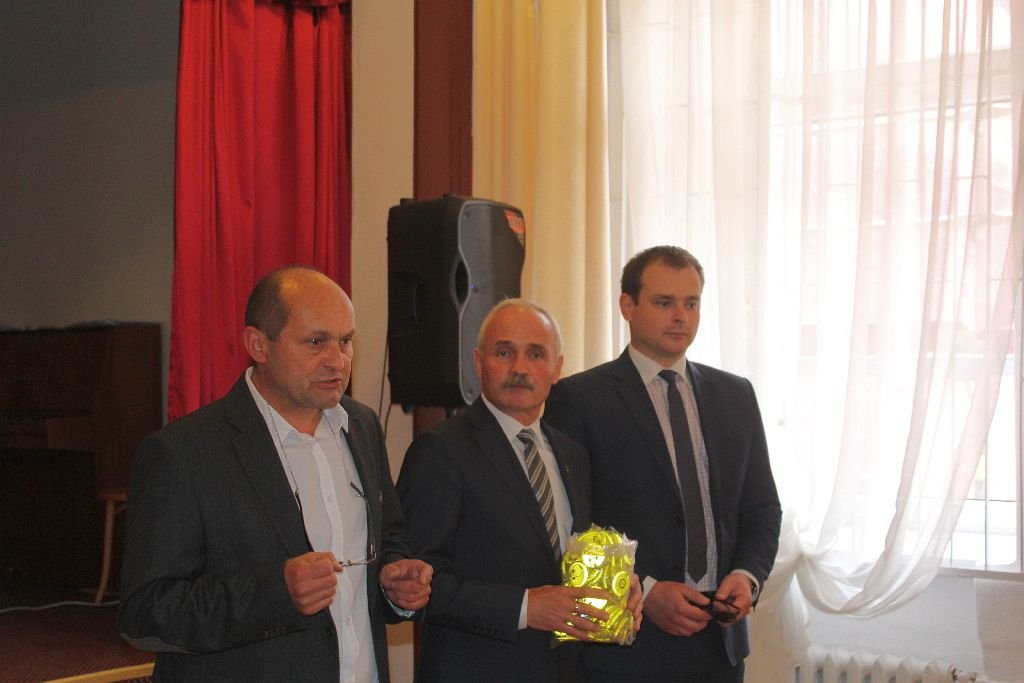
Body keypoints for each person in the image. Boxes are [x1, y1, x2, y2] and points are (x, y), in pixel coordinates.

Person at [118, 265, 432, 682]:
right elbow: (145, 613)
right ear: (258, 345)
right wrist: (274, 593)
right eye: (315, 342)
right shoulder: (184, 452)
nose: (337, 360)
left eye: (345, 341)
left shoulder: (362, 426)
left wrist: (395, 580)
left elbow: (388, 536)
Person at [544, 246, 782, 682]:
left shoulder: (736, 395)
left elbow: (762, 506)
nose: (680, 317)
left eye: (691, 304)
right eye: (664, 303)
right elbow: (572, 524)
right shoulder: (578, 399)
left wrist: (747, 576)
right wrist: (646, 590)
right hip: (627, 647)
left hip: (719, 643)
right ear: (627, 306)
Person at [396, 299, 642, 682]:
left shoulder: (571, 453)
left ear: (557, 368)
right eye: (504, 352)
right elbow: (415, 586)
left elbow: (565, 559)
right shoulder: (440, 450)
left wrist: (616, 583)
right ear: (478, 362)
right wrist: (526, 608)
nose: (520, 368)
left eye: (536, 354)